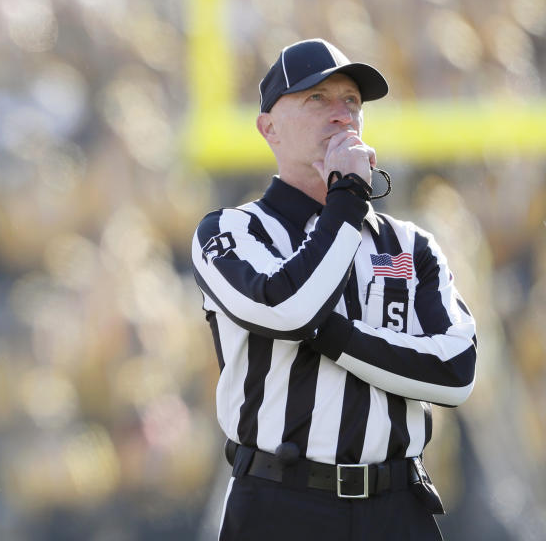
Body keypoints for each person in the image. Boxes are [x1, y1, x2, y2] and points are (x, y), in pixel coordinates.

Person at [191, 38, 477, 540]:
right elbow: (288, 311)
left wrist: (332, 336)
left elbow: (455, 372)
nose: (340, 115)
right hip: (281, 504)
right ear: (268, 127)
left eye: (351, 101)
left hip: (396, 504)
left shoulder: (411, 243)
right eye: (316, 99)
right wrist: (345, 198)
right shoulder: (231, 231)